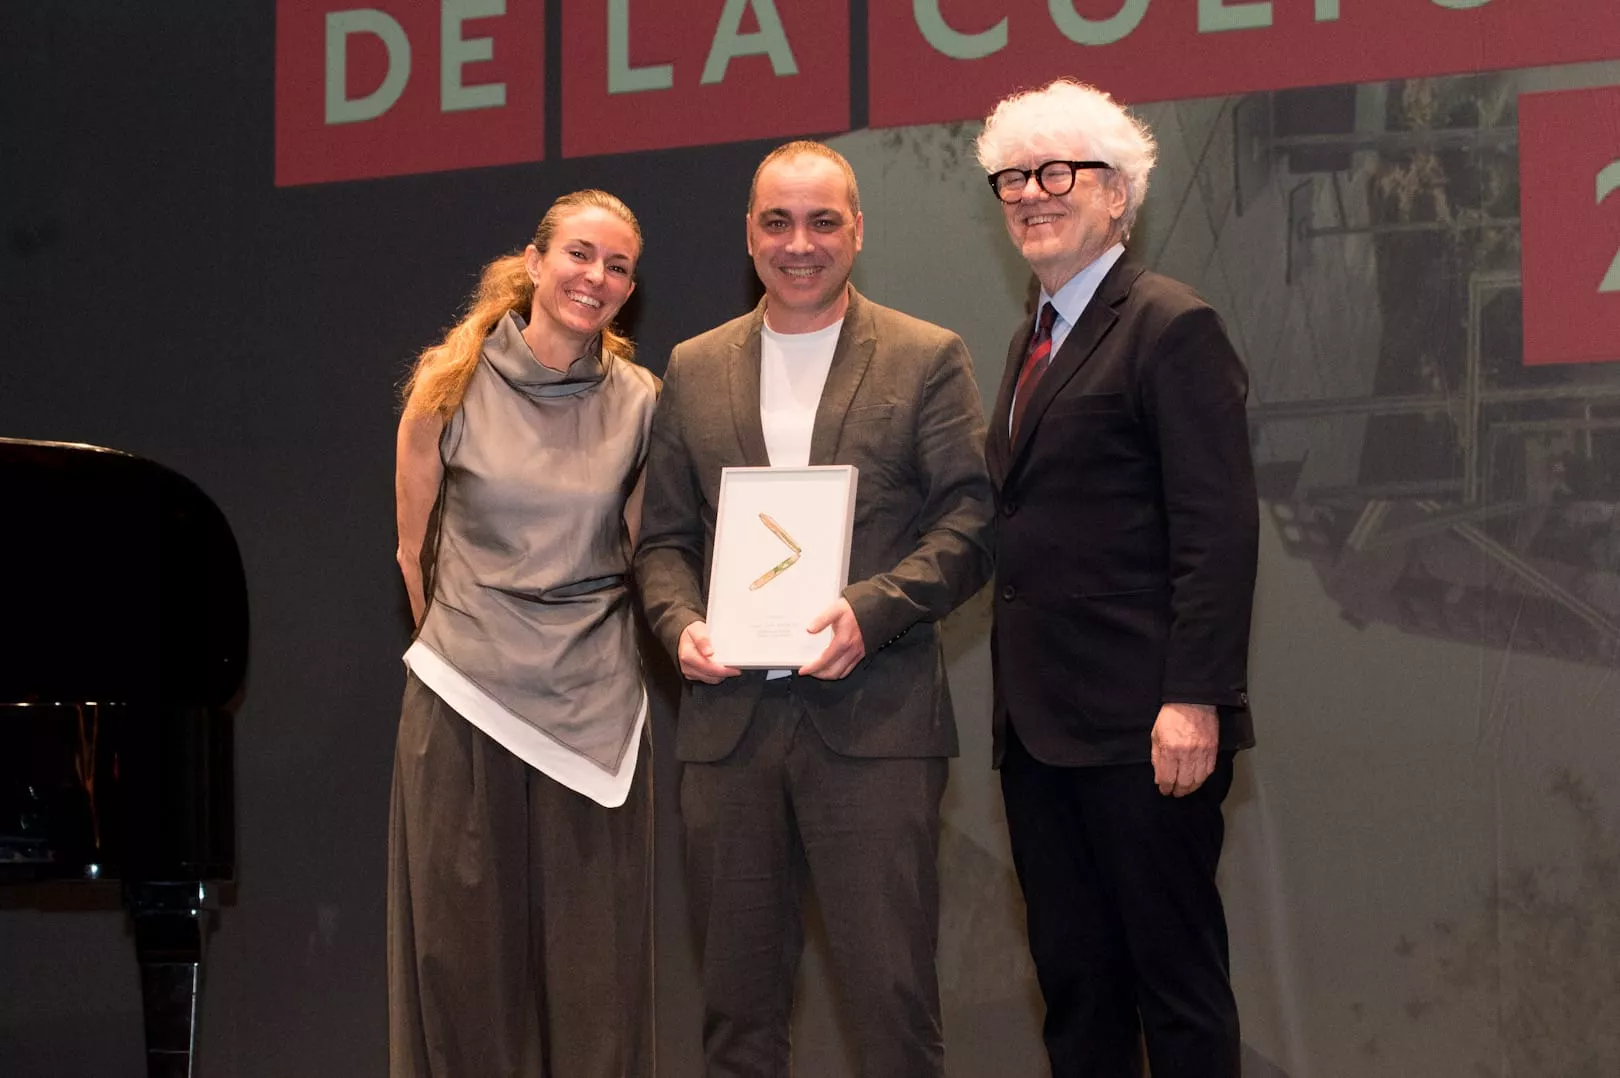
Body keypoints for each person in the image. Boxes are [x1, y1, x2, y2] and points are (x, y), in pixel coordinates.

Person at [634, 141, 994, 1078]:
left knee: (892, 1014)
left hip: (874, 729)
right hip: (728, 736)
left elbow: (970, 523)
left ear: (859, 230)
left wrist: (871, 611)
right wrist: (681, 627)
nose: (801, 243)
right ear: (748, 234)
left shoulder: (926, 357)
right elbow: (663, 544)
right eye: (777, 222)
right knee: (737, 1023)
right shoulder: (695, 366)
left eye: (824, 221)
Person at [976, 81, 1260, 1078]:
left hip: (1148, 727)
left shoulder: (1171, 326)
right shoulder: (1029, 341)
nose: (1032, 193)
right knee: (1077, 991)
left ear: (1120, 197)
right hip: (1043, 734)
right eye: (1013, 176)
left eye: (1060, 172)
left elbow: (1217, 530)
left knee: (1174, 989)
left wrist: (1196, 696)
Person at [388, 189, 658, 1078]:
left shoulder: (642, 402)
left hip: (595, 722)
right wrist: (478, 651)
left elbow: (645, 555)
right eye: (581, 254)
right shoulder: (447, 385)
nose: (598, 277)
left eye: (618, 266)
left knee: (598, 996)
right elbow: (413, 555)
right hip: (466, 705)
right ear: (536, 263)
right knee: (463, 982)